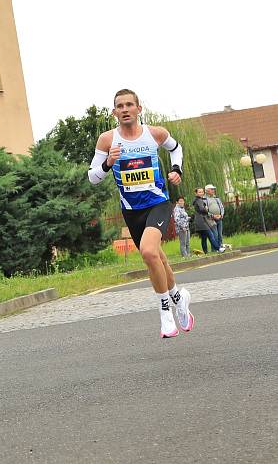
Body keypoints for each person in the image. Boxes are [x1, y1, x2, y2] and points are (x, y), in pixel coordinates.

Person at [88, 88, 194, 338]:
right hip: (131, 210)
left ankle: (165, 311)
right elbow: (93, 177)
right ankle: (179, 297)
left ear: (138, 109)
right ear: (114, 112)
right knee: (156, 257)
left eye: (129, 105)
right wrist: (108, 163)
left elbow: (176, 148)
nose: (124, 109)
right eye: (119, 106)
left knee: (148, 251)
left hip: (157, 203)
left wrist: (177, 168)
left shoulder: (155, 134)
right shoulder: (107, 140)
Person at [193, 188, 223, 254]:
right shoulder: (199, 200)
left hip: (200, 221)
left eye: (202, 192)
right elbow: (202, 209)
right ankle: (218, 248)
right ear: (196, 193)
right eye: (199, 192)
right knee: (210, 235)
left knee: (204, 237)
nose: (201, 193)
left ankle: (205, 252)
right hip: (202, 221)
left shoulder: (197, 200)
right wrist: (206, 208)